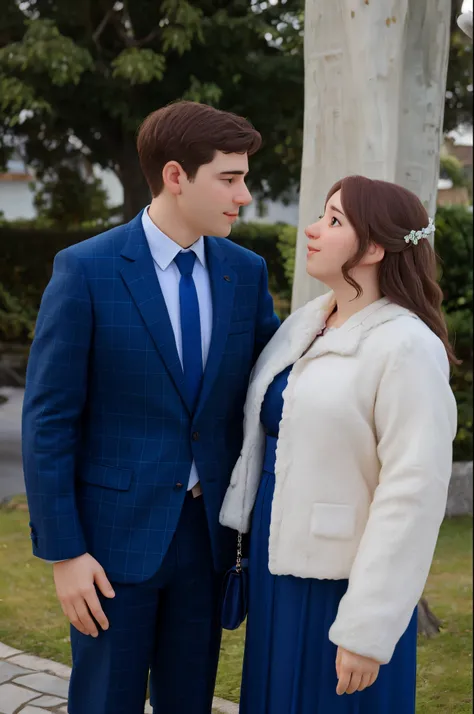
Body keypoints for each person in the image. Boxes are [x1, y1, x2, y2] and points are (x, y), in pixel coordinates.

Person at [22, 100, 280, 714]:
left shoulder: (245, 273)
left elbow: (273, 381)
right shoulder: (85, 270)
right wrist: (65, 553)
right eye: (230, 178)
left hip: (206, 540)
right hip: (109, 547)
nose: (243, 196)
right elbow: (49, 420)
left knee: (189, 702)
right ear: (175, 176)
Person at [220, 175, 458, 714]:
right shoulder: (305, 324)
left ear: (373, 248)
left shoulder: (407, 346)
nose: (311, 229)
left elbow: (412, 494)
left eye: (333, 221)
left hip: (342, 582)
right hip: (274, 564)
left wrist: (367, 626)